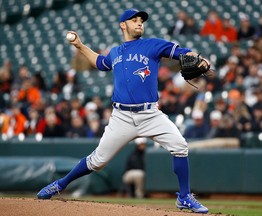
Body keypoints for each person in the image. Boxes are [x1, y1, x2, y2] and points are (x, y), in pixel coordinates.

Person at [36, 8, 209, 214]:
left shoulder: (152, 44)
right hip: (121, 117)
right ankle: (61, 184)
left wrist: (195, 56)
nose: (139, 23)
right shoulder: (116, 52)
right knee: (97, 161)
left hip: (150, 114)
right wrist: (80, 46)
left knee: (180, 146)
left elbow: (180, 52)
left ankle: (184, 197)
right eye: (134, 20)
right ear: (122, 25)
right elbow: (100, 62)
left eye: (141, 21)